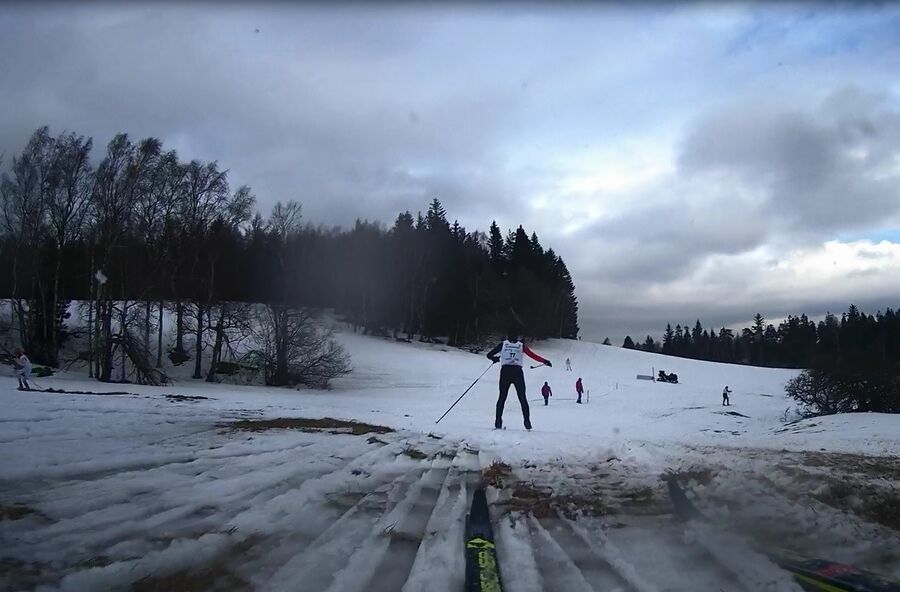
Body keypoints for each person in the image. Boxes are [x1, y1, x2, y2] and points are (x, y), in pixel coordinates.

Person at [486, 329, 552, 430]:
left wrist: (495, 359)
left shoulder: (503, 344)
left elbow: (489, 355)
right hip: (517, 372)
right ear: (517, 337)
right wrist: (545, 361)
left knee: (502, 398)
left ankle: (498, 421)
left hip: (505, 371)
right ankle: (527, 422)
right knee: (522, 398)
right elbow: (532, 355)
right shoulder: (521, 346)